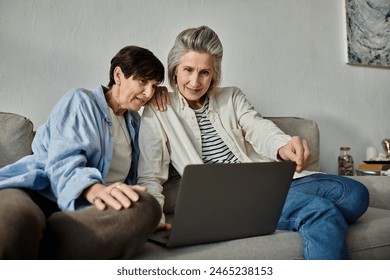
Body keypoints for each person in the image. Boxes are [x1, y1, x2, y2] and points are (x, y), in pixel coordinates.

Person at [137, 26, 370, 259]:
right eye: (188, 70)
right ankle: (305, 216)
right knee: (320, 211)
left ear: (214, 74)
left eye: (204, 72)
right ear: (174, 69)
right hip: (225, 197)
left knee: (355, 194)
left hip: (264, 182)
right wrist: (153, 220)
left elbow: (259, 128)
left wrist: (283, 146)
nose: (195, 82)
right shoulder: (159, 108)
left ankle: (294, 216)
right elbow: (150, 173)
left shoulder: (231, 97)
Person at [0, 45, 169, 259]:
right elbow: (62, 162)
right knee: (13, 222)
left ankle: (48, 235)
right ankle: (37, 232)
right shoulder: (82, 101)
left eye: (154, 86)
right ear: (118, 75)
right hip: (38, 191)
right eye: (143, 82)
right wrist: (93, 188)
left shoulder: (135, 123)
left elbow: (140, 177)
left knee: (148, 207)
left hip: (86, 212)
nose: (148, 93)